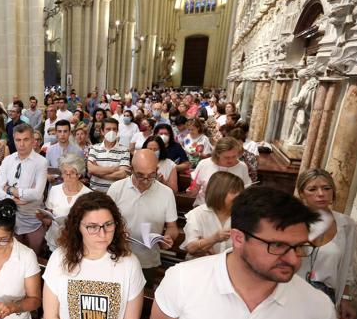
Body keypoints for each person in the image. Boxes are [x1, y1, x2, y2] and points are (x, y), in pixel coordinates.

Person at [150, 187, 336, 319]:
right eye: (276, 246)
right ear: (238, 238)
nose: (293, 260)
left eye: (299, 246)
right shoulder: (185, 278)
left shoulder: (318, 307)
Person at [43, 191, 144, 319]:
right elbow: (51, 316)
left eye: (108, 225)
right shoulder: (59, 259)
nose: (102, 233)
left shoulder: (129, 264)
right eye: (92, 227)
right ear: (77, 227)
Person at [107, 150, 178, 286]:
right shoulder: (116, 189)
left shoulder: (166, 193)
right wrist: (116, 229)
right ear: (131, 169)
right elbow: (104, 222)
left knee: (143, 298)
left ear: (157, 170)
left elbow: (172, 227)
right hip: (118, 256)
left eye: (151, 175)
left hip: (148, 260)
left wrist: (168, 238)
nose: (146, 181)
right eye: (140, 175)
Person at [295, 169, 356, 319]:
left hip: (324, 298)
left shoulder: (347, 225)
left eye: (326, 188)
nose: (321, 194)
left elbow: (348, 266)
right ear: (302, 193)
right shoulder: (291, 221)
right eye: (312, 189)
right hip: (292, 292)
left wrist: (345, 299)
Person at [0, 123, 48, 256]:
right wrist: (13, 200)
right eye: (18, 140)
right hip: (11, 218)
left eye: (26, 139)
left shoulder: (41, 162)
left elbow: (37, 194)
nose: (22, 144)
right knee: (15, 257)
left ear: (33, 140)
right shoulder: (8, 160)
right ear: (13, 140)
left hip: (33, 218)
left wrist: (9, 189)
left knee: (34, 257)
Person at [181, 172, 244, 259]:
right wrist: (214, 239)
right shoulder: (197, 214)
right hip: (200, 267)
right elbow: (191, 248)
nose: (238, 196)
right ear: (218, 192)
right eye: (233, 192)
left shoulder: (243, 215)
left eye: (240, 192)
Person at [38, 153, 92, 252]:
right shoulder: (55, 190)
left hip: (76, 242)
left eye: (72, 172)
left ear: (79, 174)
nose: (67, 176)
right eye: (64, 172)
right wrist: (44, 218)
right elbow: (49, 214)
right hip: (55, 240)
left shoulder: (88, 195)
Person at [191, 137, 252, 206]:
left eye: (234, 156)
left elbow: (246, 188)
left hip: (231, 207)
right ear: (217, 153)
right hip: (205, 204)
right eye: (227, 157)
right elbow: (195, 186)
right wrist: (192, 190)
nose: (231, 160)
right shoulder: (204, 164)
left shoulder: (242, 166)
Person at [87, 118, 131, 192]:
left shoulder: (124, 150)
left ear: (117, 131)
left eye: (114, 129)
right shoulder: (94, 148)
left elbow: (122, 174)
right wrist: (114, 169)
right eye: (108, 129)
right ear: (102, 131)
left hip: (115, 193)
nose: (112, 132)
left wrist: (98, 172)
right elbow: (91, 169)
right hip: (95, 192)